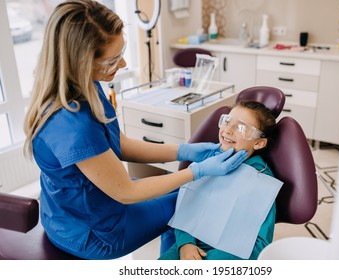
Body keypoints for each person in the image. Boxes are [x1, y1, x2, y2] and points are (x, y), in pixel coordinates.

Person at [23, 0, 247, 260]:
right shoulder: (72, 123)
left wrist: (184, 150)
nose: (125, 64)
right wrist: (197, 172)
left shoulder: (85, 86)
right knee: (193, 199)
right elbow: (126, 192)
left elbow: (119, 143)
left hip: (72, 210)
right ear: (81, 62)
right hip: (92, 232)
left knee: (185, 192)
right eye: (113, 60)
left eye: (122, 52)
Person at [159, 100, 278, 260]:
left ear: (258, 142)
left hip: (230, 255)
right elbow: (187, 208)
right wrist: (185, 243)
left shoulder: (262, 181)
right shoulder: (208, 163)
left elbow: (259, 245)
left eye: (241, 127)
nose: (228, 130)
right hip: (188, 246)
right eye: (227, 121)